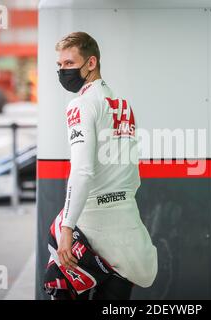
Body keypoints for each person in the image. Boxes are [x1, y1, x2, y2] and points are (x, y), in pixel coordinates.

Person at [52, 31, 157, 300]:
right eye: (60, 65)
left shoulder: (81, 105)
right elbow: (130, 170)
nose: (63, 71)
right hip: (128, 230)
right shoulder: (123, 105)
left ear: (91, 63)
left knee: (55, 286)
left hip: (91, 227)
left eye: (69, 63)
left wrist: (67, 227)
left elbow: (83, 171)